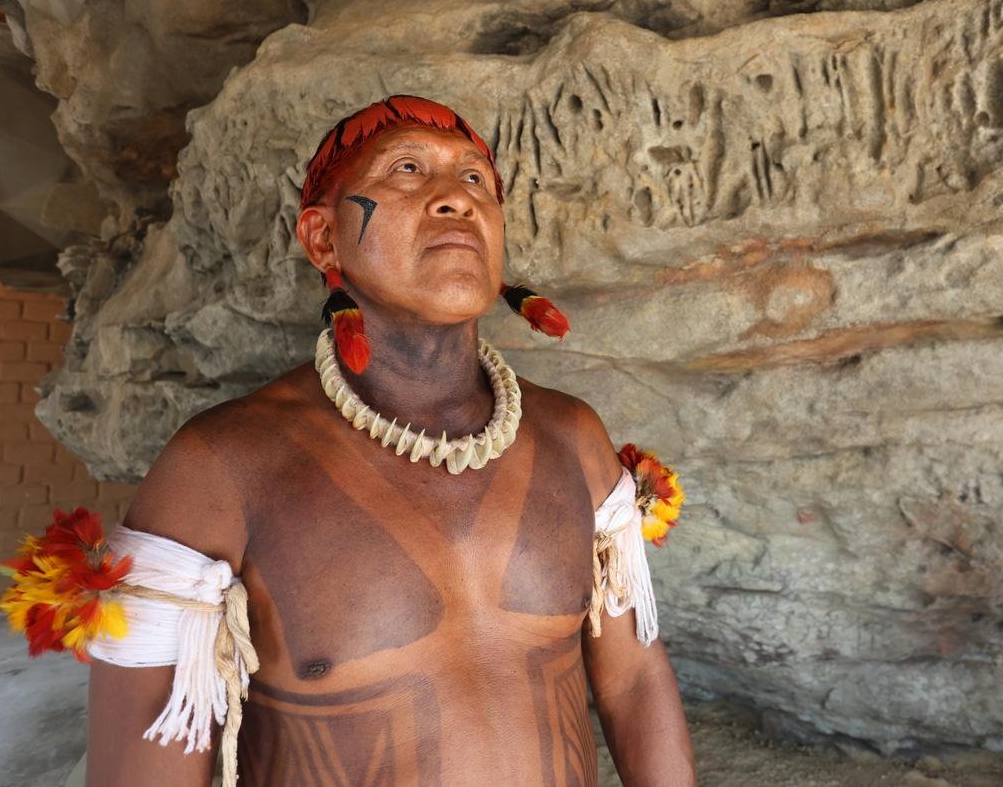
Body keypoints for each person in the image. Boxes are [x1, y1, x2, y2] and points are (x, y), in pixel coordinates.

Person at [82, 96, 697, 785]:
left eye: (475, 182)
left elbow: (635, 678)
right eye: (407, 169)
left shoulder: (574, 439)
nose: (453, 200)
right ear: (323, 238)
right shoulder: (218, 470)